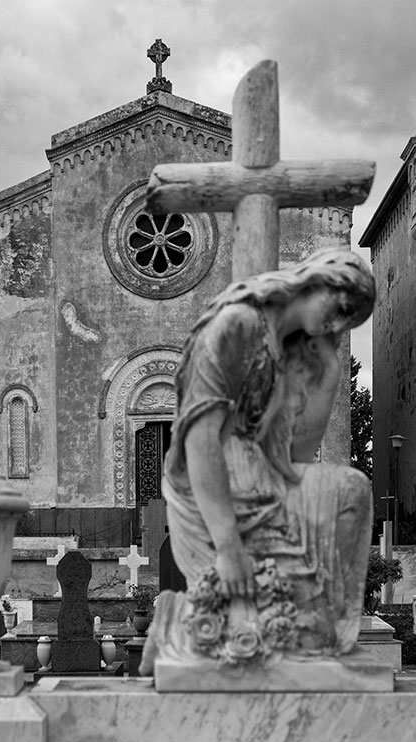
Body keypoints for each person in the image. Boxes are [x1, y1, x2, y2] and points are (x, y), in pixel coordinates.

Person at [140, 249, 375, 673]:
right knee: (302, 615)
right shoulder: (238, 324)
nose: (336, 324)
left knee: (352, 490)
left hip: (260, 477)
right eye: (341, 308)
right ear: (317, 280)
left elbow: (297, 455)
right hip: (214, 482)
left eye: (348, 322)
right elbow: (199, 438)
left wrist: (328, 373)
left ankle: (308, 622)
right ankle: (183, 622)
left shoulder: (286, 348)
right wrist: (228, 546)